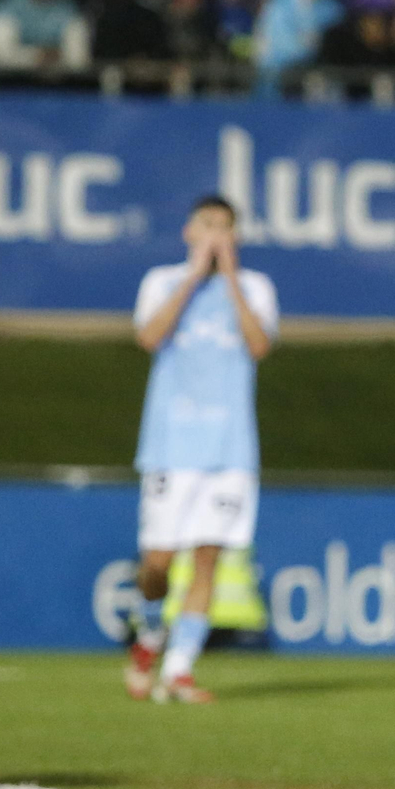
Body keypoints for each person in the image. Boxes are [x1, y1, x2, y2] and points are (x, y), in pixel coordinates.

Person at [122, 195, 279, 705]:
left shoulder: (255, 287)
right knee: (158, 564)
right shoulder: (161, 281)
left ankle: (179, 670)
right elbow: (149, 336)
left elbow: (259, 345)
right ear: (189, 231)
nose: (215, 236)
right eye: (207, 225)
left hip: (229, 449)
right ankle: (149, 636)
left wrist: (229, 279)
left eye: (225, 228)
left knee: (206, 558)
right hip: (171, 444)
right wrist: (193, 278)